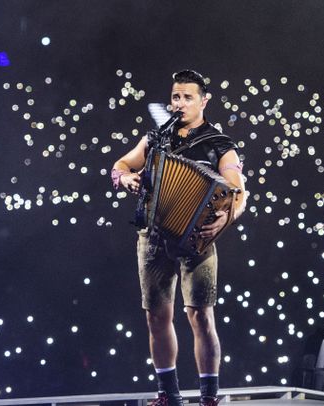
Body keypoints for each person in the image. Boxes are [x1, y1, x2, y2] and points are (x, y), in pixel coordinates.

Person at [111, 70, 247, 406]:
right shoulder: (157, 138)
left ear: (204, 101)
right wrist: (124, 178)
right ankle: (169, 396)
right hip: (154, 237)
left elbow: (239, 191)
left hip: (196, 240)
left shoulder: (219, 144)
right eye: (175, 96)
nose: (180, 103)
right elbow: (121, 164)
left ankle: (209, 397)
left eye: (187, 97)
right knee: (156, 316)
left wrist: (227, 218)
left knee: (200, 316)